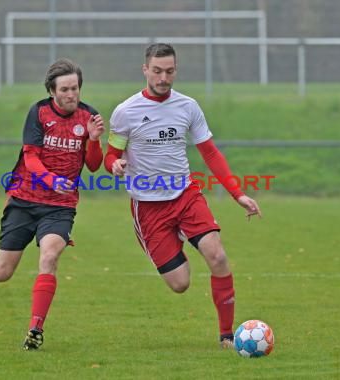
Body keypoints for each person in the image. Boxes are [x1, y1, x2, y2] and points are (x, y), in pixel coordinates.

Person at [104, 43, 261, 348]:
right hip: (149, 208)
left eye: (170, 71)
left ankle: (227, 337)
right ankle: (174, 244)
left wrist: (238, 194)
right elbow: (110, 155)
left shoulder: (188, 107)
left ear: (176, 70)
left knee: (217, 256)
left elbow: (211, 153)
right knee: (180, 284)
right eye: (158, 71)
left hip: (185, 195)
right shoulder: (125, 112)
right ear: (145, 70)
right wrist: (116, 164)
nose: (164, 77)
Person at [0, 58, 105, 350]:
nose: (71, 94)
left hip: (61, 206)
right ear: (52, 90)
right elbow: (31, 157)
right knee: (3, 271)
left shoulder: (89, 116)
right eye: (65, 89)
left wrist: (95, 140)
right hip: (24, 201)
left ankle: (35, 330)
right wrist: (50, 180)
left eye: (75, 88)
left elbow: (94, 165)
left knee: (49, 256)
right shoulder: (39, 112)